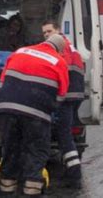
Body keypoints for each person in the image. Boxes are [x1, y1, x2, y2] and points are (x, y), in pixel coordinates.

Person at [0, 34, 68, 196]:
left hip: (7, 111)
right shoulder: (59, 61)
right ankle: (31, 193)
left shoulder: (20, 51)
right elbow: (61, 96)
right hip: (36, 116)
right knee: (36, 154)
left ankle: (6, 192)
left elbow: (1, 84)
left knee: (10, 153)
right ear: (59, 49)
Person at [41, 20, 85, 189]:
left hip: (66, 97)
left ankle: (74, 176)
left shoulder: (61, 47)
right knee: (65, 135)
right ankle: (73, 173)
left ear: (57, 31)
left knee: (64, 136)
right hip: (73, 96)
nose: (46, 35)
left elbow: (59, 71)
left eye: (49, 31)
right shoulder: (70, 45)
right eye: (44, 33)